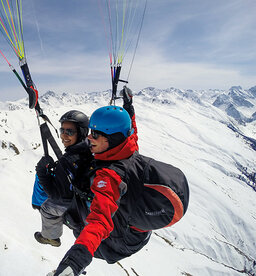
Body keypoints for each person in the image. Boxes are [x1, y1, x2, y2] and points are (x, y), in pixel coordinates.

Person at [48, 86, 190, 276]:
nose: (89, 138)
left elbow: (99, 220)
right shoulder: (128, 148)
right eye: (90, 132)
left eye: (96, 134)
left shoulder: (110, 176)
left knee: (70, 214)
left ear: (113, 138)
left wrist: (74, 262)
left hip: (118, 244)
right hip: (138, 232)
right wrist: (129, 107)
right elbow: (132, 132)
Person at [33, 110, 93, 247]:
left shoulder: (66, 161)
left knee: (47, 207)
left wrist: (41, 171)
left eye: (70, 132)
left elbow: (55, 194)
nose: (64, 135)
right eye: (62, 130)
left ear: (81, 132)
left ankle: (50, 237)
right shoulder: (91, 147)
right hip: (89, 200)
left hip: (79, 206)